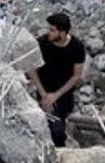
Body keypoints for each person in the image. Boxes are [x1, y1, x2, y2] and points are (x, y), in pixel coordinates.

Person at [27, 12, 85, 148]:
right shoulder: (42, 43)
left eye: (52, 30)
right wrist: (43, 94)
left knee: (58, 132)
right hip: (42, 89)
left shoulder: (76, 47)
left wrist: (56, 96)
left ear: (63, 33)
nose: (49, 33)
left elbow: (76, 76)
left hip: (63, 93)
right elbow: (31, 69)